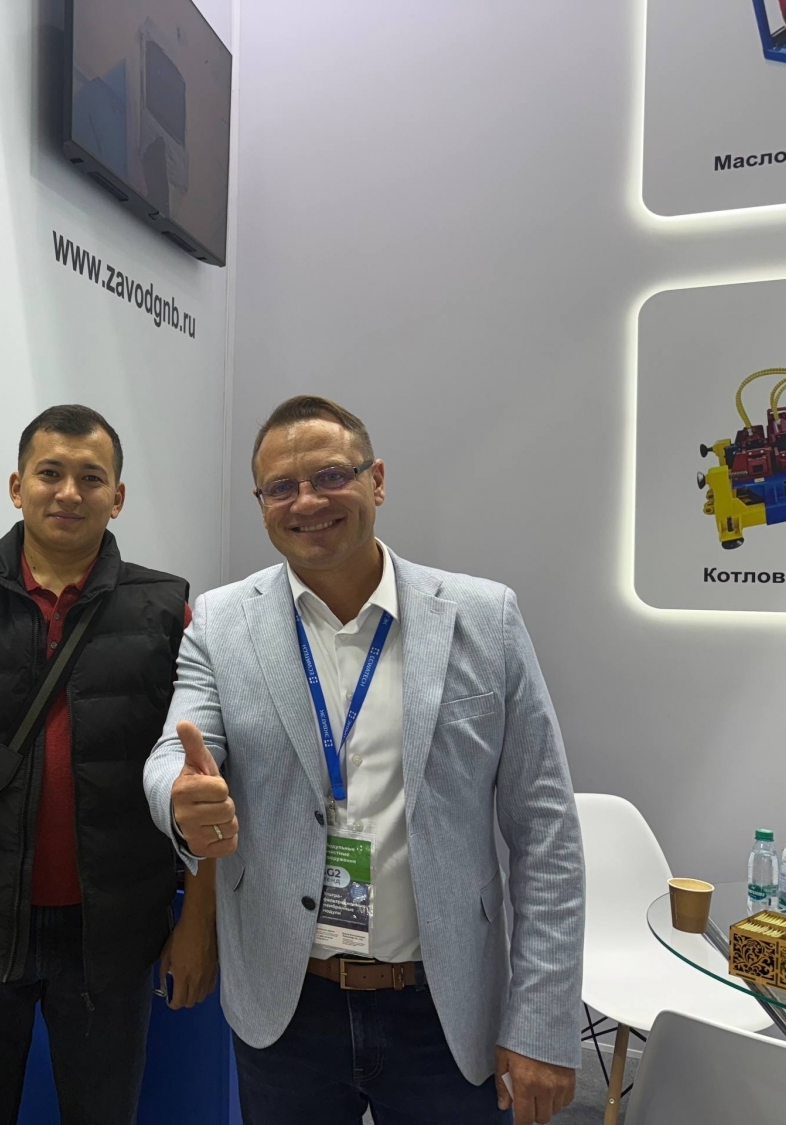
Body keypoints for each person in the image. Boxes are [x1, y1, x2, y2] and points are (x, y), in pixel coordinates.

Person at [144, 396, 584, 1125]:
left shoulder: (485, 618)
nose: (307, 501)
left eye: (330, 476)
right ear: (261, 504)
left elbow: (547, 831)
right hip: (288, 1007)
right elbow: (174, 751)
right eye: (281, 487)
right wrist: (177, 799)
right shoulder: (222, 622)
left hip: (444, 1007)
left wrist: (542, 1019)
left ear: (376, 479)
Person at [0, 405, 217, 1125]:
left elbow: (203, 781)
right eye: (50, 473)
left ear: (118, 496)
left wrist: (198, 921)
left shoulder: (165, 607)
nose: (69, 492)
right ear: (17, 486)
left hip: (112, 931)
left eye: (91, 477)